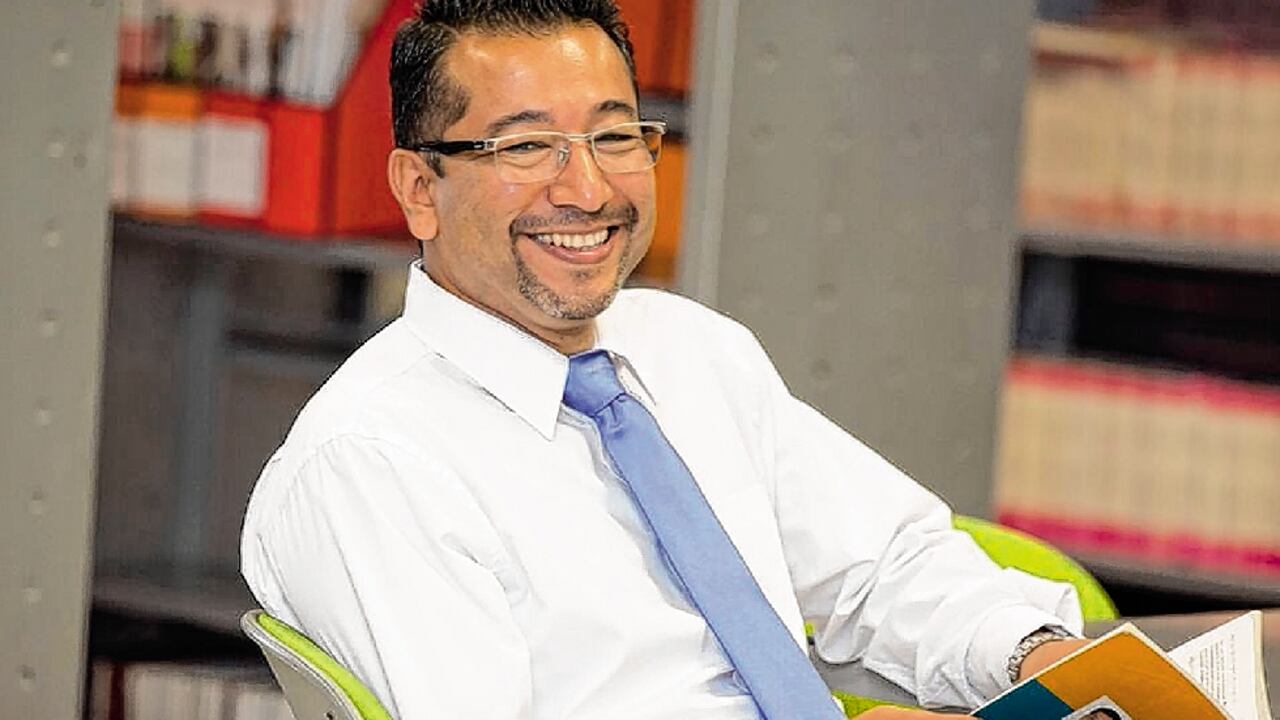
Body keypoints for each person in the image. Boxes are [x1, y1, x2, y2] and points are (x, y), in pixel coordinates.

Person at [240, 1, 1091, 718]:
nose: (588, 191)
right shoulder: (371, 463)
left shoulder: (690, 349)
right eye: (526, 148)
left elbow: (882, 569)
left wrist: (1040, 660)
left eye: (614, 137)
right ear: (419, 189)